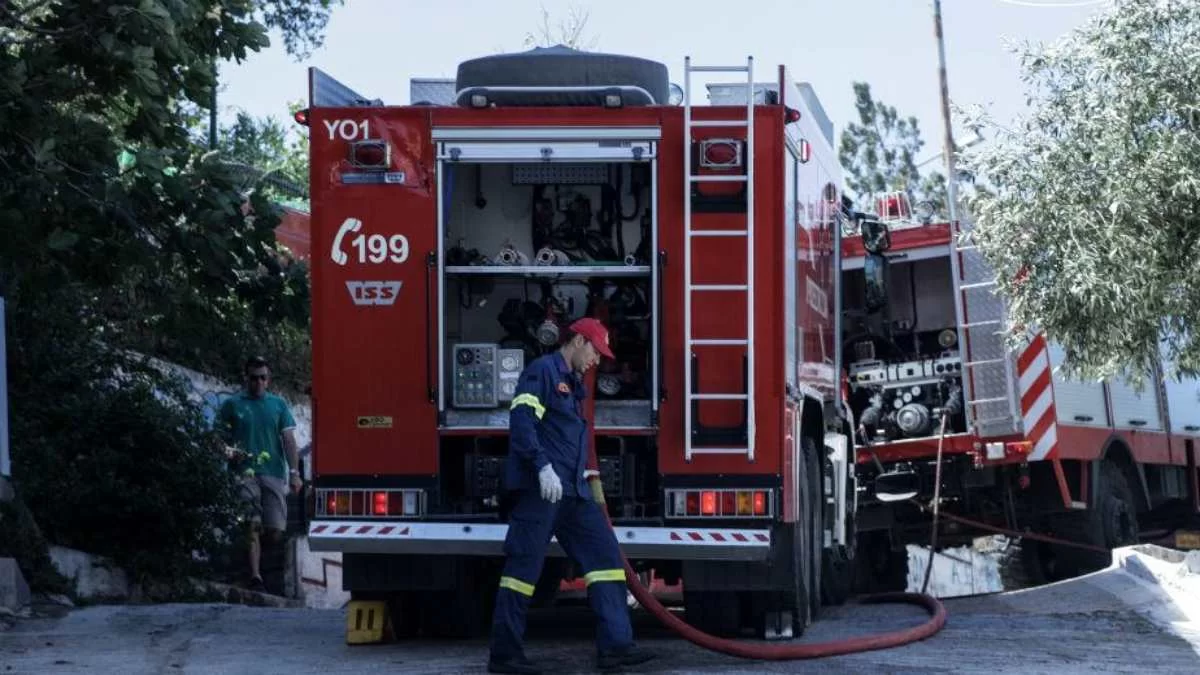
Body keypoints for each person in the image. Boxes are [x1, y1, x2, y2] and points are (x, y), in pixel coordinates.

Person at [488, 318, 655, 675]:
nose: (597, 359)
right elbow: (521, 421)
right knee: (521, 571)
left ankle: (616, 647)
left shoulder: (573, 382)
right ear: (578, 341)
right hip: (542, 489)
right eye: (595, 350)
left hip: (574, 491)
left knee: (607, 561)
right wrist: (542, 466)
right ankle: (505, 656)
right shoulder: (542, 372)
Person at [217, 356, 302, 593]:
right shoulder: (233, 404)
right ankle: (255, 576)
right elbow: (217, 436)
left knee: (275, 530)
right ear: (247, 378)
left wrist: (295, 473)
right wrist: (228, 451)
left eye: (263, 378)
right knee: (252, 523)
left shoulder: (278, 405)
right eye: (254, 378)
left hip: (273, 472)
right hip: (244, 472)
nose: (258, 382)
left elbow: (288, 440)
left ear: (269, 379)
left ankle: (250, 555)